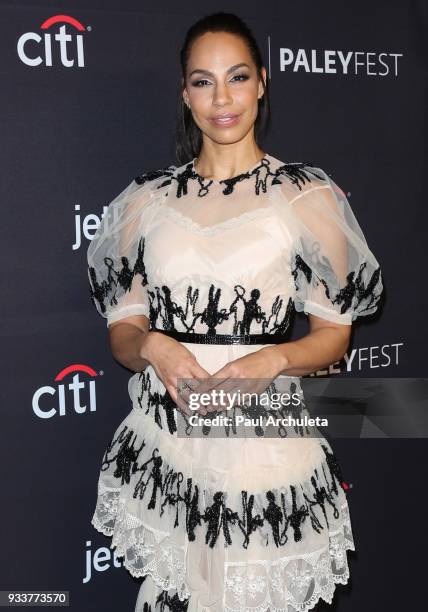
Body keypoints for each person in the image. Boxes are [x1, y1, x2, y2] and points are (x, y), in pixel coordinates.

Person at [86, 12, 383, 612]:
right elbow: (122, 333)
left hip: (262, 442)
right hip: (169, 441)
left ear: (262, 84)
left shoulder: (307, 195)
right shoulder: (145, 201)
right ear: (185, 92)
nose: (222, 98)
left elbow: (333, 339)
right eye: (203, 81)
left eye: (237, 77)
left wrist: (271, 359)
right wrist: (150, 346)